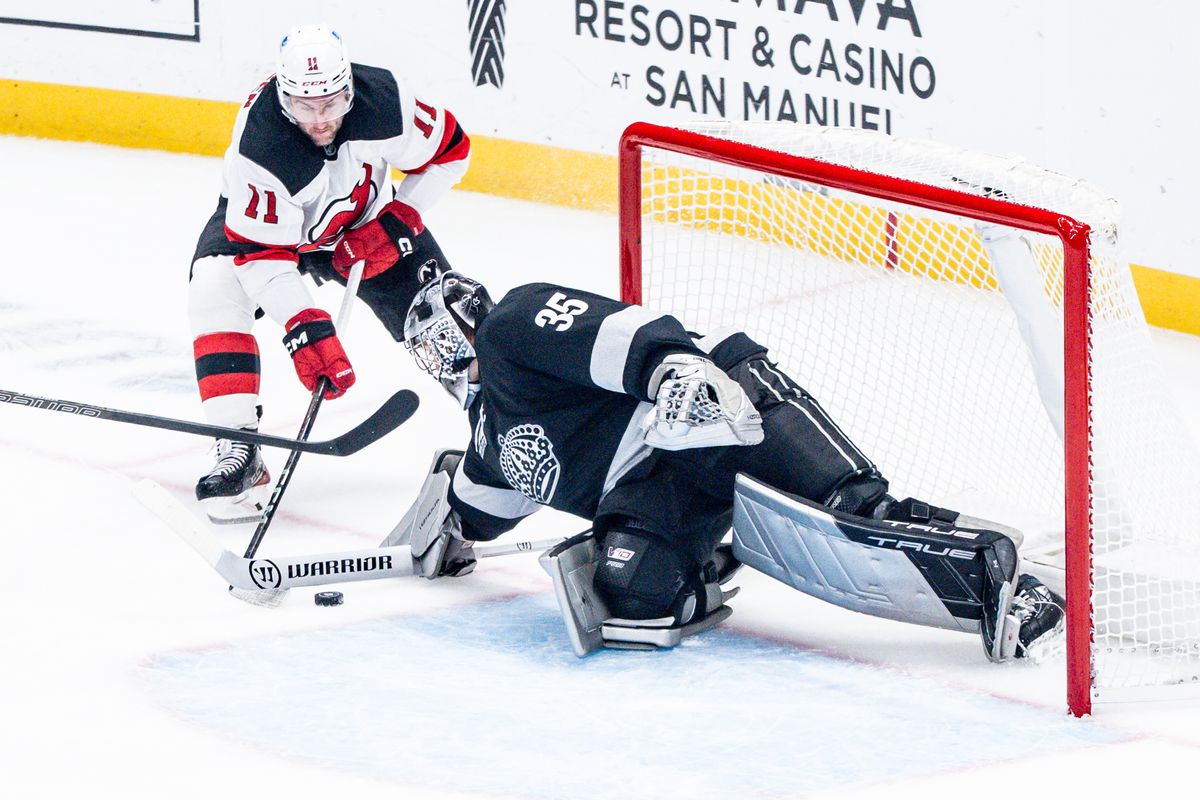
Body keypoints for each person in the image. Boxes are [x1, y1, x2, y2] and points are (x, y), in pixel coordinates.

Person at [388, 271, 1065, 661]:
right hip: (657, 481)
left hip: (725, 401)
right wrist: (444, 532)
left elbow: (625, 334)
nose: (436, 359)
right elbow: (476, 509)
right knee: (633, 595)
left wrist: (675, 369)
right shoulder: (485, 435)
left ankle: (1012, 582)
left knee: (852, 515)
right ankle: (714, 554)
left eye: (432, 345)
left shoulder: (514, 326)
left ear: (449, 334)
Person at [188, 23, 469, 522]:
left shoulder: (387, 102)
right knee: (214, 285)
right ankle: (237, 450)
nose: (320, 120)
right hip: (272, 234)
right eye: (304, 107)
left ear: (349, 89)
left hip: (363, 223)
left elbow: (451, 151)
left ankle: (500, 427)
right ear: (282, 98)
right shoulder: (262, 148)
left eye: (333, 103)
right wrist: (304, 325)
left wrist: (399, 218)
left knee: (445, 315)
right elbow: (260, 257)